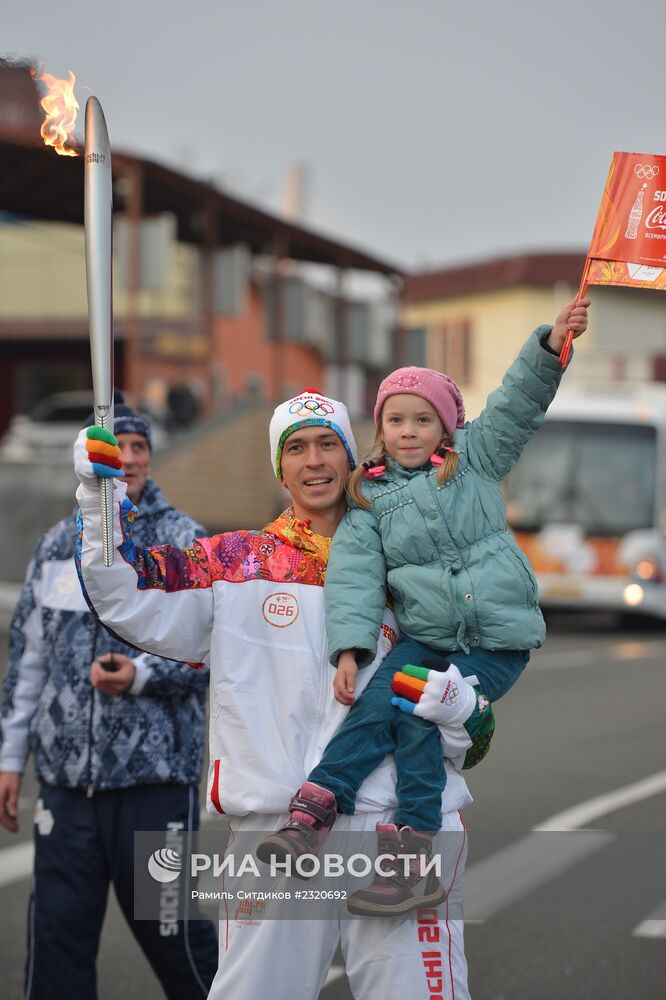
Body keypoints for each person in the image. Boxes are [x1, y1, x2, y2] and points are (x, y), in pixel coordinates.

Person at [72, 388, 484, 1000]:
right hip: (281, 829)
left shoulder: (415, 563)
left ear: (351, 460)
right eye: (296, 448)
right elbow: (125, 589)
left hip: (400, 824)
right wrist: (98, 496)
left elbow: (482, 698)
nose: (313, 460)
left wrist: (461, 708)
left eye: (328, 445)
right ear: (280, 466)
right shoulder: (236, 565)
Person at [260, 299, 590, 917]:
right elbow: (354, 580)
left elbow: (518, 402)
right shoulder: (368, 501)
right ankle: (313, 811)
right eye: (394, 421)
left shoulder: (478, 461)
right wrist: (352, 652)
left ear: (447, 428)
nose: (407, 431)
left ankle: (412, 860)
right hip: (428, 636)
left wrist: (551, 343)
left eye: (421, 420)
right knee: (379, 699)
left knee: (421, 713)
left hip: (495, 639)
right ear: (378, 430)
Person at [0, 403, 219, 1000]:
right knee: (57, 938)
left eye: (138, 445)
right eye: (114, 445)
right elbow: (28, 660)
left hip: (154, 781)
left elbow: (213, 652)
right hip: (68, 784)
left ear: (150, 455)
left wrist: (143, 676)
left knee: (169, 931)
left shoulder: (184, 542)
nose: (126, 456)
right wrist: (10, 759)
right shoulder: (54, 547)